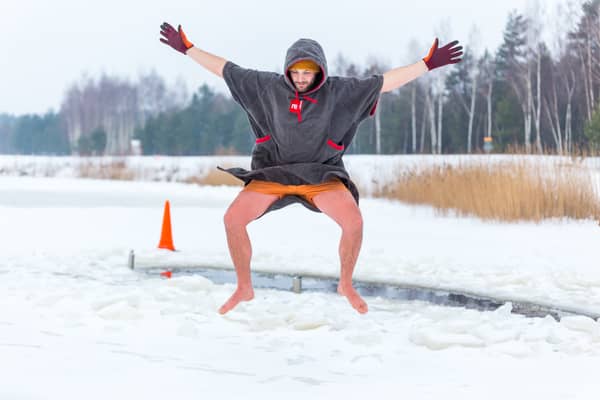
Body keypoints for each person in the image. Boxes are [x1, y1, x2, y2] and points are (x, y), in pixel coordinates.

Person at [159, 22, 462, 314]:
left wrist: (426, 64)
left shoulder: (340, 92)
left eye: (308, 73)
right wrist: (188, 49)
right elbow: (225, 69)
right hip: (274, 174)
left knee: (354, 222)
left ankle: (345, 283)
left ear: (320, 71)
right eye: (297, 72)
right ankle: (243, 286)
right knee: (232, 219)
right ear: (288, 70)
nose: (302, 78)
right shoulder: (267, 87)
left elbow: (385, 82)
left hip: (320, 176)